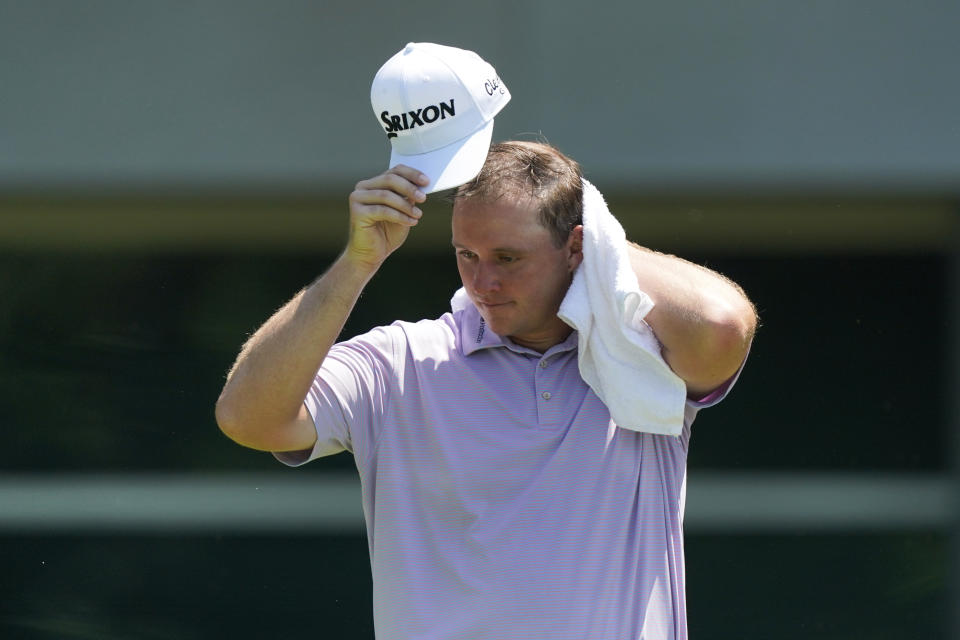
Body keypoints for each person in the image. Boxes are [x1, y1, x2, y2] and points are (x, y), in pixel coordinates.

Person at [215, 141, 757, 639]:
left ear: (577, 248)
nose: (482, 283)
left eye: (508, 257)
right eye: (466, 255)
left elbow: (723, 326)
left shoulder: (639, 359)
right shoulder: (400, 362)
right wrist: (358, 263)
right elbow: (248, 418)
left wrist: (593, 224)